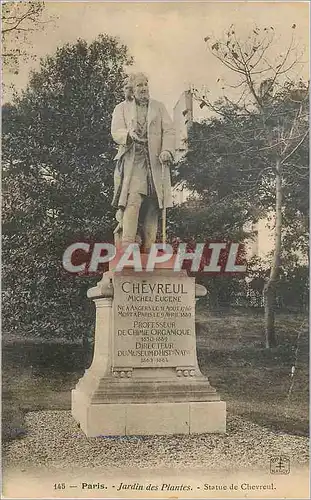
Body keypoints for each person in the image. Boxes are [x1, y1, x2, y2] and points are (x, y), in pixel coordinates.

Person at [111, 73, 175, 252]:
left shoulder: (159, 107)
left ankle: (149, 250)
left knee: (154, 205)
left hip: (155, 161)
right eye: (139, 85)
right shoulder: (122, 108)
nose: (144, 88)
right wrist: (128, 136)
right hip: (134, 160)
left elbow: (169, 131)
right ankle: (127, 247)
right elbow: (116, 131)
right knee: (133, 200)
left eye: (146, 84)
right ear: (132, 89)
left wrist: (167, 150)